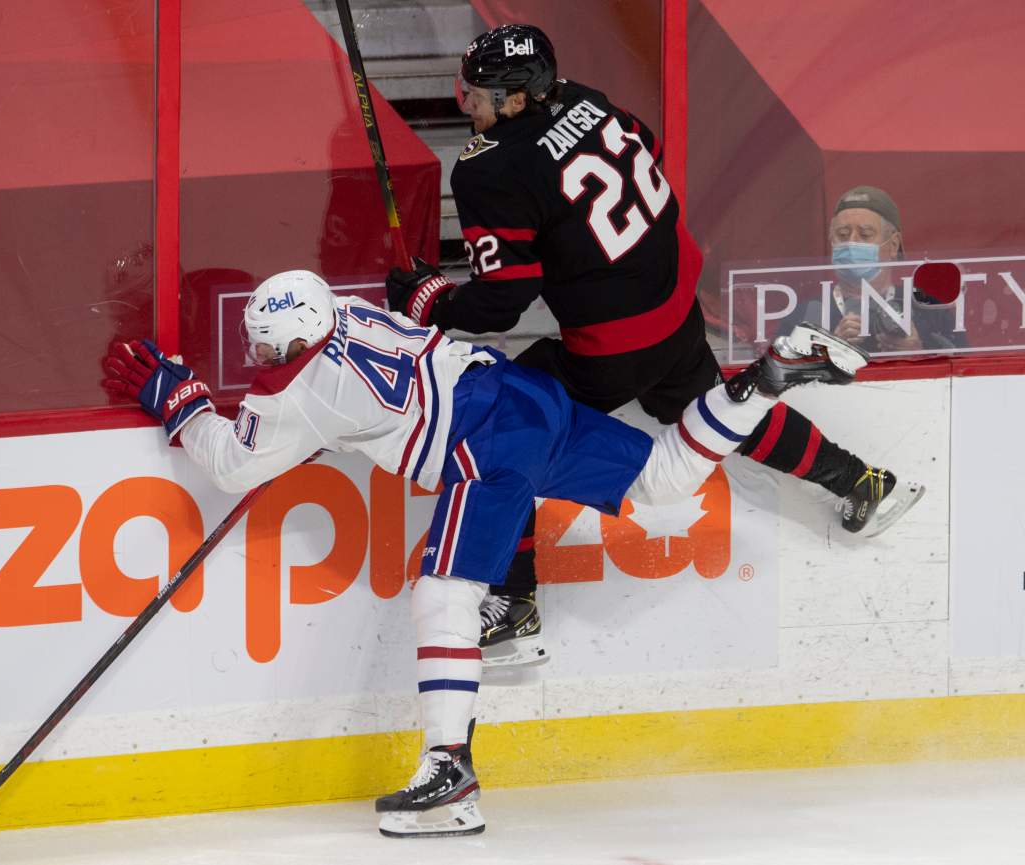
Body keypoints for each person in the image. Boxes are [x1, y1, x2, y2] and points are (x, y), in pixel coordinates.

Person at [103, 269, 868, 837]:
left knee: (444, 594)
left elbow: (238, 461)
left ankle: (449, 772)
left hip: (481, 447)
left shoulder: (295, 390)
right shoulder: (347, 311)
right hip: (512, 392)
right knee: (664, 475)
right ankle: (766, 380)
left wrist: (180, 401)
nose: (262, 360)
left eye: (267, 349)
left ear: (291, 340)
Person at [384, 24, 924, 668]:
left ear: (521, 97)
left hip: (611, 343)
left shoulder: (488, 168)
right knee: (714, 409)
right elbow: (652, 152)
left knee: (502, 427)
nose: (463, 103)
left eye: (478, 93)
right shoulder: (588, 98)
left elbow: (503, 302)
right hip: (672, 305)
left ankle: (515, 603)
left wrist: (429, 299)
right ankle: (864, 482)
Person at [819, 185, 962, 353]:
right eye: (842, 234)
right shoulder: (806, 314)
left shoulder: (930, 310)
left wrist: (919, 351)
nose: (852, 243)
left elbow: (965, 369)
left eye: (865, 235)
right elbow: (786, 371)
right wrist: (831, 349)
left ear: (893, 244)